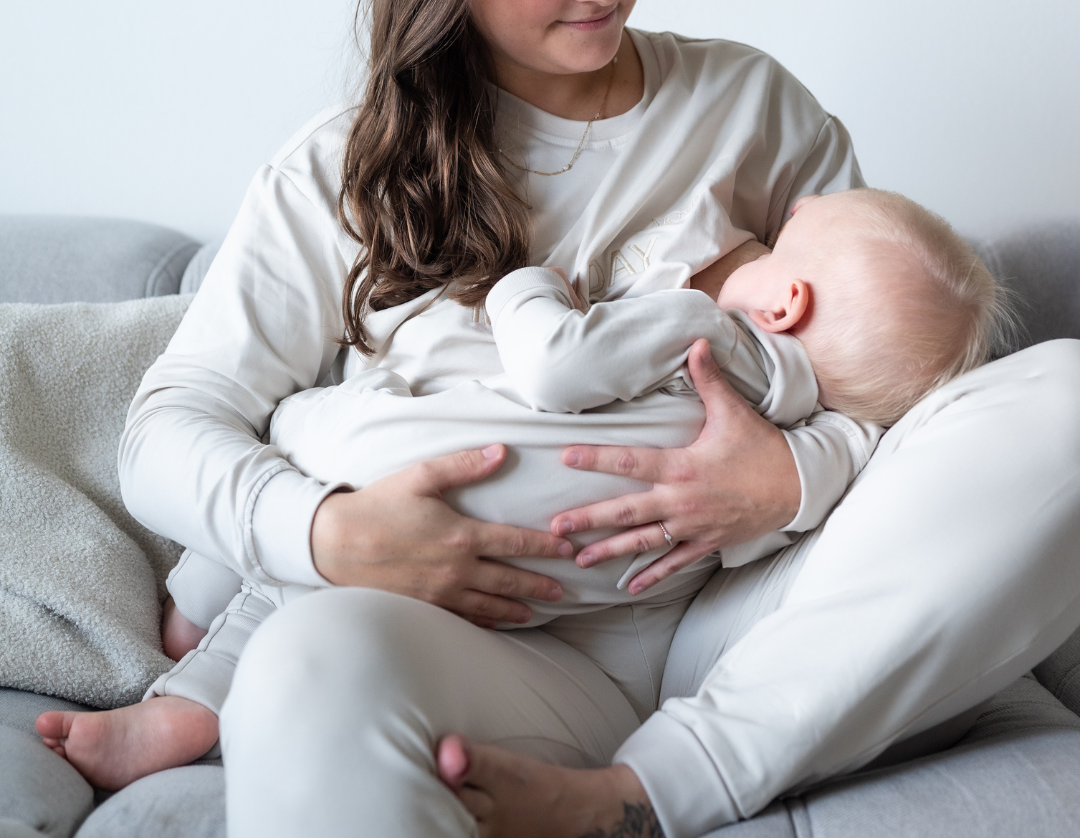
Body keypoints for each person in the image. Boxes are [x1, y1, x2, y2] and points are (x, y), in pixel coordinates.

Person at [36, 0, 1080, 835]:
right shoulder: (344, 169)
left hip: (738, 631)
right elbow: (167, 431)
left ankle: (649, 795)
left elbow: (888, 357)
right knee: (306, 660)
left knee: (1066, 402)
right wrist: (327, 535)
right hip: (482, 649)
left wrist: (794, 481)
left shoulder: (751, 109)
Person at [40, 186, 1003, 789]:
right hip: (585, 573)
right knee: (335, 559)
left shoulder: (700, 326)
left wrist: (527, 288)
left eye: (783, 237)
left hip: (462, 472)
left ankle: (193, 646)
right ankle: (193, 692)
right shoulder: (811, 439)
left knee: (298, 442)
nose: (763, 233)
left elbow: (555, 370)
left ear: (784, 299)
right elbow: (847, 461)